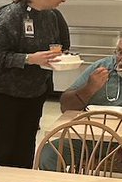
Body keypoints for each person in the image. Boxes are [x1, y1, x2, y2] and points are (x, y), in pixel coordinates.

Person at [0, 0, 71, 181]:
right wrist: (29, 59)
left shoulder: (52, 17)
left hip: (34, 93)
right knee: (2, 151)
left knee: (24, 151)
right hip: (2, 93)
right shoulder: (10, 15)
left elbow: (60, 45)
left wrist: (56, 57)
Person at [38, 33, 122, 170]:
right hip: (91, 139)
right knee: (49, 155)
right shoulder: (102, 67)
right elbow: (65, 106)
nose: (120, 59)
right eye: (119, 52)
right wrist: (89, 89)